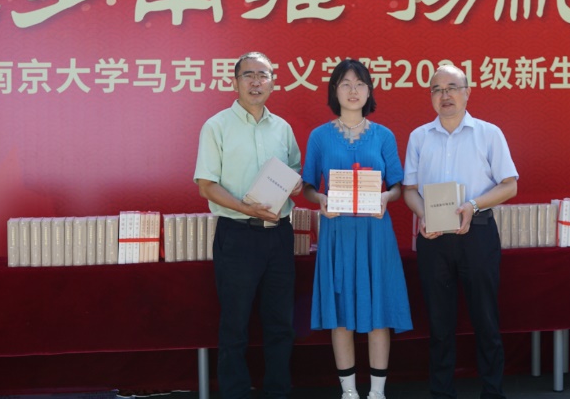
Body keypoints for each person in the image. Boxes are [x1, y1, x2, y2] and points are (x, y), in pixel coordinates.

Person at [403, 64, 518, 399]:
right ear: (430, 97)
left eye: (452, 87)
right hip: (434, 238)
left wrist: (473, 205)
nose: (445, 95)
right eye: (437, 89)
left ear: (467, 92)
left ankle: (492, 391)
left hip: (477, 234)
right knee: (439, 323)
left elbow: (509, 185)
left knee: (486, 319)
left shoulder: (489, 133)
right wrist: (423, 214)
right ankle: (442, 392)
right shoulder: (419, 137)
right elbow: (409, 190)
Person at [194, 51, 302, 399]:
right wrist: (246, 208)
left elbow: (296, 173)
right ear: (235, 82)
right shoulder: (216, 126)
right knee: (235, 325)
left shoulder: (282, 128)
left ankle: (278, 391)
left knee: (280, 324)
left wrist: (295, 185)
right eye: (248, 75)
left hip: (279, 236)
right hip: (237, 236)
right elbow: (206, 185)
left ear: (273, 82)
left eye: (263, 75)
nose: (256, 82)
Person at [302, 59, 412, 399]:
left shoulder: (384, 135)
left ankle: (377, 391)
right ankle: (348, 391)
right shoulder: (319, 136)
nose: (353, 90)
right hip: (336, 233)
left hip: (375, 234)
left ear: (369, 91)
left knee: (378, 312)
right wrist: (319, 198)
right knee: (341, 314)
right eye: (345, 84)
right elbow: (308, 186)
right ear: (334, 91)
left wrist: (386, 197)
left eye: (360, 83)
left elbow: (397, 185)